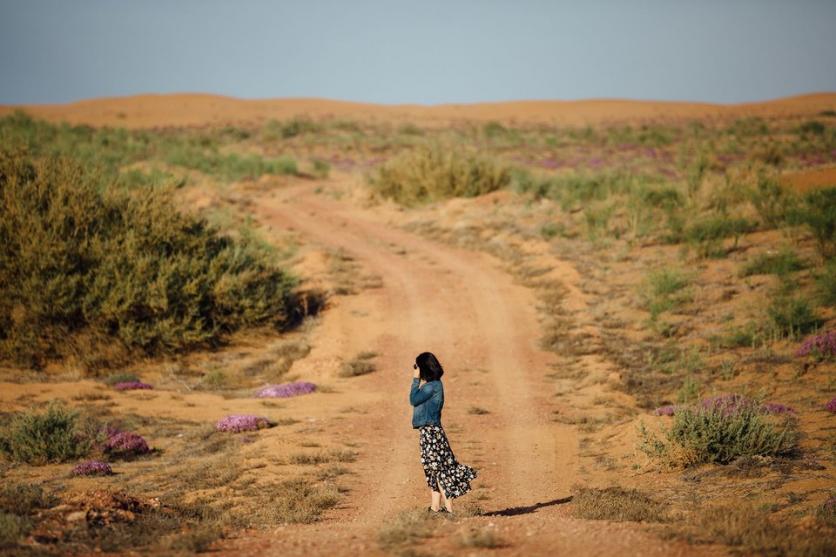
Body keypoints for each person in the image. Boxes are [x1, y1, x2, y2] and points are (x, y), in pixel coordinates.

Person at [409, 351, 477, 514]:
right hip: (429, 432)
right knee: (432, 470)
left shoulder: (432, 386)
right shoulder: (433, 385)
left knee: (438, 470)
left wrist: (415, 378)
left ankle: (449, 509)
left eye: (417, 366)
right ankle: (435, 508)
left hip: (431, 432)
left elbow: (413, 399)